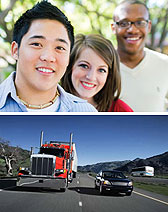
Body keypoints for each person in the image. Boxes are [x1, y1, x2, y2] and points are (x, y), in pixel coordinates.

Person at [0, 0, 97, 112]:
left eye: (59, 48)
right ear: (15, 50)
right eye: (36, 44)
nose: (49, 57)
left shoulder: (86, 114)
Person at [111, 0, 168, 112]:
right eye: (124, 23)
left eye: (140, 22)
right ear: (113, 28)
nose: (132, 29)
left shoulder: (165, 64)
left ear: (149, 26)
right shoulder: (100, 67)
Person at [61, 34, 133, 112]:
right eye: (84, 66)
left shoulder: (121, 111)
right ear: (70, 66)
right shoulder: (50, 105)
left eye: (101, 70)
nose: (91, 77)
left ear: (109, 75)